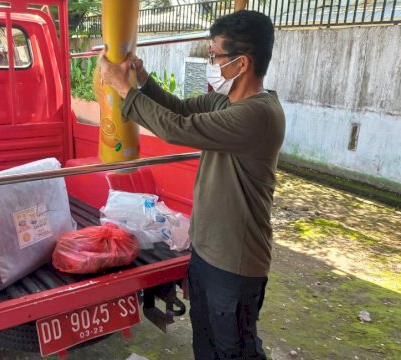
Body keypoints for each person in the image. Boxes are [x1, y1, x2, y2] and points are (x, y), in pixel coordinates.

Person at [98, 10, 285, 360]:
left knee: (235, 351)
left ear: (242, 64)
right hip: (207, 251)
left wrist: (122, 89)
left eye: (215, 56)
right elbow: (180, 110)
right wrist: (143, 81)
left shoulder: (257, 115)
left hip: (235, 261)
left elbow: (176, 129)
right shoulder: (225, 102)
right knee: (207, 345)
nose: (211, 62)